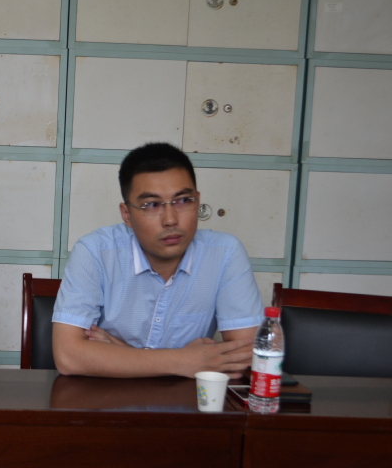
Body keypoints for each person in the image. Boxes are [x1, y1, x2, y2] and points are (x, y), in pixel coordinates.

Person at [52, 142, 263, 379]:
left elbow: (245, 359)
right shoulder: (95, 252)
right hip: (106, 397)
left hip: (187, 400)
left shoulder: (224, 253)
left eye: (183, 200)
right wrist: (184, 361)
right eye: (151, 205)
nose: (170, 220)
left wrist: (125, 352)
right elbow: (68, 356)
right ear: (126, 214)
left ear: (197, 201)